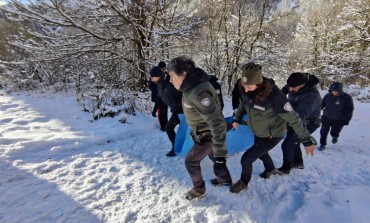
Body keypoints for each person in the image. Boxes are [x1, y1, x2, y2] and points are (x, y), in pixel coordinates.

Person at [229, 62, 317, 194]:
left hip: (273, 134)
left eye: (249, 87)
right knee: (261, 153)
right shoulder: (245, 89)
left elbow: (294, 119)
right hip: (259, 131)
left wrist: (307, 140)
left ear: (258, 84)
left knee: (246, 159)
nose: (245, 90)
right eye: (244, 86)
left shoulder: (275, 97)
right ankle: (270, 169)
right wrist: (237, 119)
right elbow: (244, 105)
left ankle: (244, 182)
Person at [167, 56, 232, 200]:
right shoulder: (191, 85)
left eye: (171, 76)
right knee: (212, 155)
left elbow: (217, 123)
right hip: (203, 131)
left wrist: (221, 159)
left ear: (183, 74)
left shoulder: (198, 92)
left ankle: (199, 189)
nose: (170, 80)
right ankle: (225, 178)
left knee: (191, 161)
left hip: (208, 134)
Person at [278, 72, 322, 174]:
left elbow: (299, 117)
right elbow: (284, 90)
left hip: (308, 123)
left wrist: (285, 123)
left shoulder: (312, 96)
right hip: (295, 117)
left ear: (302, 85)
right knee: (294, 142)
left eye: (293, 88)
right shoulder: (294, 84)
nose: (291, 90)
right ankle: (298, 163)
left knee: (287, 145)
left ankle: (286, 168)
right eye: (290, 87)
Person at [149, 66, 183, 157]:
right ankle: (177, 147)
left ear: (159, 76)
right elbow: (160, 97)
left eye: (153, 77)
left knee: (172, 128)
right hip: (176, 111)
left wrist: (182, 105)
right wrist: (154, 109)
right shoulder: (160, 85)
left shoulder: (170, 82)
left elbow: (183, 93)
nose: (151, 79)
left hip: (183, 111)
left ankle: (178, 148)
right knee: (170, 128)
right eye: (151, 77)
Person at [318, 82, 354, 151]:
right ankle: (323, 144)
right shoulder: (328, 96)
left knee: (334, 132)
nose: (334, 92)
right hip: (326, 117)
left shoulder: (347, 98)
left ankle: (335, 136)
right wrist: (315, 112)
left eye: (336, 91)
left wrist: (346, 119)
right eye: (332, 90)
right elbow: (321, 105)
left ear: (340, 91)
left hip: (338, 119)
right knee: (323, 131)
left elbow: (349, 110)